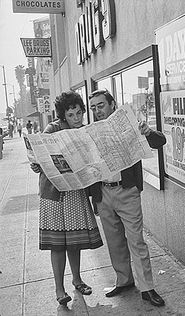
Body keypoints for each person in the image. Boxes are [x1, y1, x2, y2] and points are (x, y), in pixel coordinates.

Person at [88, 89, 167, 307]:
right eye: (93, 107)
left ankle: (147, 288)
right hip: (103, 192)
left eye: (101, 105)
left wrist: (148, 131)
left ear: (112, 104)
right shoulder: (90, 131)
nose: (97, 111)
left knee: (136, 241)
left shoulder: (130, 123)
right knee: (114, 242)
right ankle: (124, 280)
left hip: (127, 190)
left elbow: (160, 142)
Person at [30, 91, 103, 306]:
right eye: (71, 115)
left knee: (74, 241)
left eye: (79, 113)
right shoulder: (52, 129)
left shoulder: (84, 131)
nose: (77, 119)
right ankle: (59, 289)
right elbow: (37, 157)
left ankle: (77, 279)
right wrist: (37, 164)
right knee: (57, 244)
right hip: (53, 194)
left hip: (75, 191)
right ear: (63, 116)